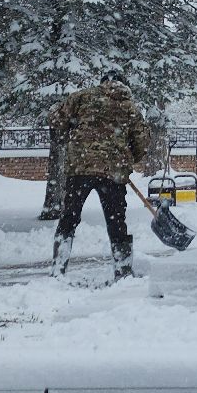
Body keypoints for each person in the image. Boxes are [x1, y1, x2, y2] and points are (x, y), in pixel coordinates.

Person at [49, 71, 152, 281]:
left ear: (102, 82)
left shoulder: (82, 97)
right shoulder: (129, 107)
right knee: (116, 221)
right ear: (124, 84)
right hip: (113, 172)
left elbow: (56, 119)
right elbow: (141, 141)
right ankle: (122, 271)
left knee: (69, 216)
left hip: (80, 167)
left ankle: (58, 268)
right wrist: (127, 157)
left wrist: (71, 131)